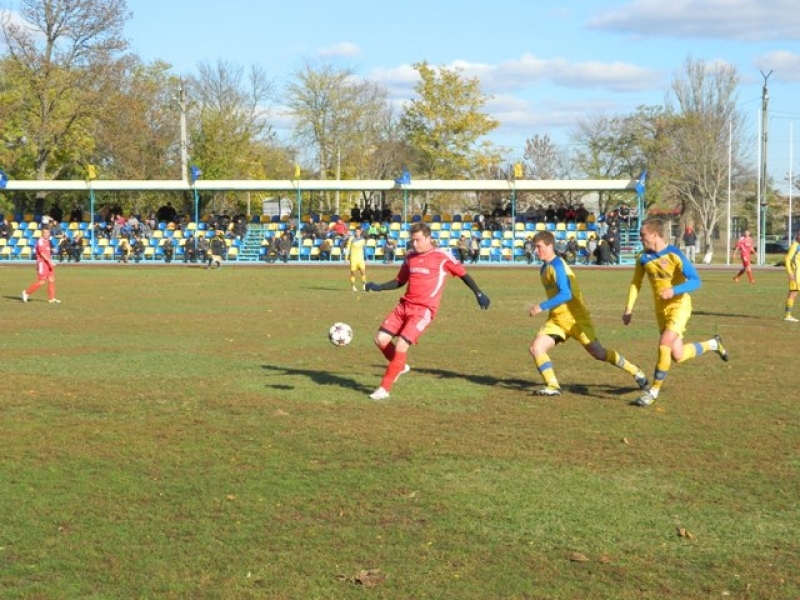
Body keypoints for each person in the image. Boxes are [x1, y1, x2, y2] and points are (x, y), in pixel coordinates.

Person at [364, 222, 491, 401]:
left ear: (428, 238)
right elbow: (400, 281)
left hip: (423, 310)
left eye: (417, 240)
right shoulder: (410, 258)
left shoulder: (442, 256)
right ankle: (399, 366)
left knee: (401, 345)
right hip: (404, 306)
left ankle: (384, 388)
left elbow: (463, 275)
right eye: (412, 241)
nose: (414, 244)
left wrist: (478, 293)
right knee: (380, 339)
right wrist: (379, 286)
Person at [622, 218, 728, 407]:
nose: (640, 239)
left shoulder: (674, 254)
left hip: (680, 306)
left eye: (642, 235)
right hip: (660, 310)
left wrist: (674, 290)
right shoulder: (643, 258)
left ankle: (653, 391)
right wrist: (629, 308)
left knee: (664, 344)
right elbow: (635, 283)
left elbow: (696, 281)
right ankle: (713, 344)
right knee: (677, 355)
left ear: (654, 235)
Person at [527, 231, 648, 396]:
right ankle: (553, 386)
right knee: (536, 348)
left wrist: (541, 306)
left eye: (539, 247)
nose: (536, 250)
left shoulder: (557, 266)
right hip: (557, 320)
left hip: (577, 319)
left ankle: (636, 371)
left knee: (599, 353)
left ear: (550, 246)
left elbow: (566, 294)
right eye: (535, 247)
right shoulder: (544, 268)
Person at [22, 226, 60, 304]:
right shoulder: (40, 241)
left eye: (48, 233)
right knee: (42, 282)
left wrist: (52, 250)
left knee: (51, 280)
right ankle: (26, 292)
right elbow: (42, 253)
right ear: (42, 233)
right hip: (42, 263)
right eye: (46, 233)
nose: (47, 234)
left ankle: (51, 298)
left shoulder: (47, 241)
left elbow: (46, 251)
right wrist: (50, 261)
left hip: (48, 263)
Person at [782, 231, 800, 322]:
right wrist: (790, 273)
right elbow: (787, 260)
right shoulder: (795, 246)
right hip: (796, 275)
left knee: (793, 293)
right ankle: (788, 316)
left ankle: (788, 315)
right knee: (793, 293)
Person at [345, 226, 367, 291]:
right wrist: (346, 258)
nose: (357, 233)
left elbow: (364, 249)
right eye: (356, 231)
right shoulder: (351, 239)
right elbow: (348, 248)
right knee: (353, 273)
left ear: (360, 232)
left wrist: (366, 257)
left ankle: (364, 285)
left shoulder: (363, 240)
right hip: (353, 258)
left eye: (358, 231)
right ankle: (353, 286)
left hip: (360, 258)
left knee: (363, 272)